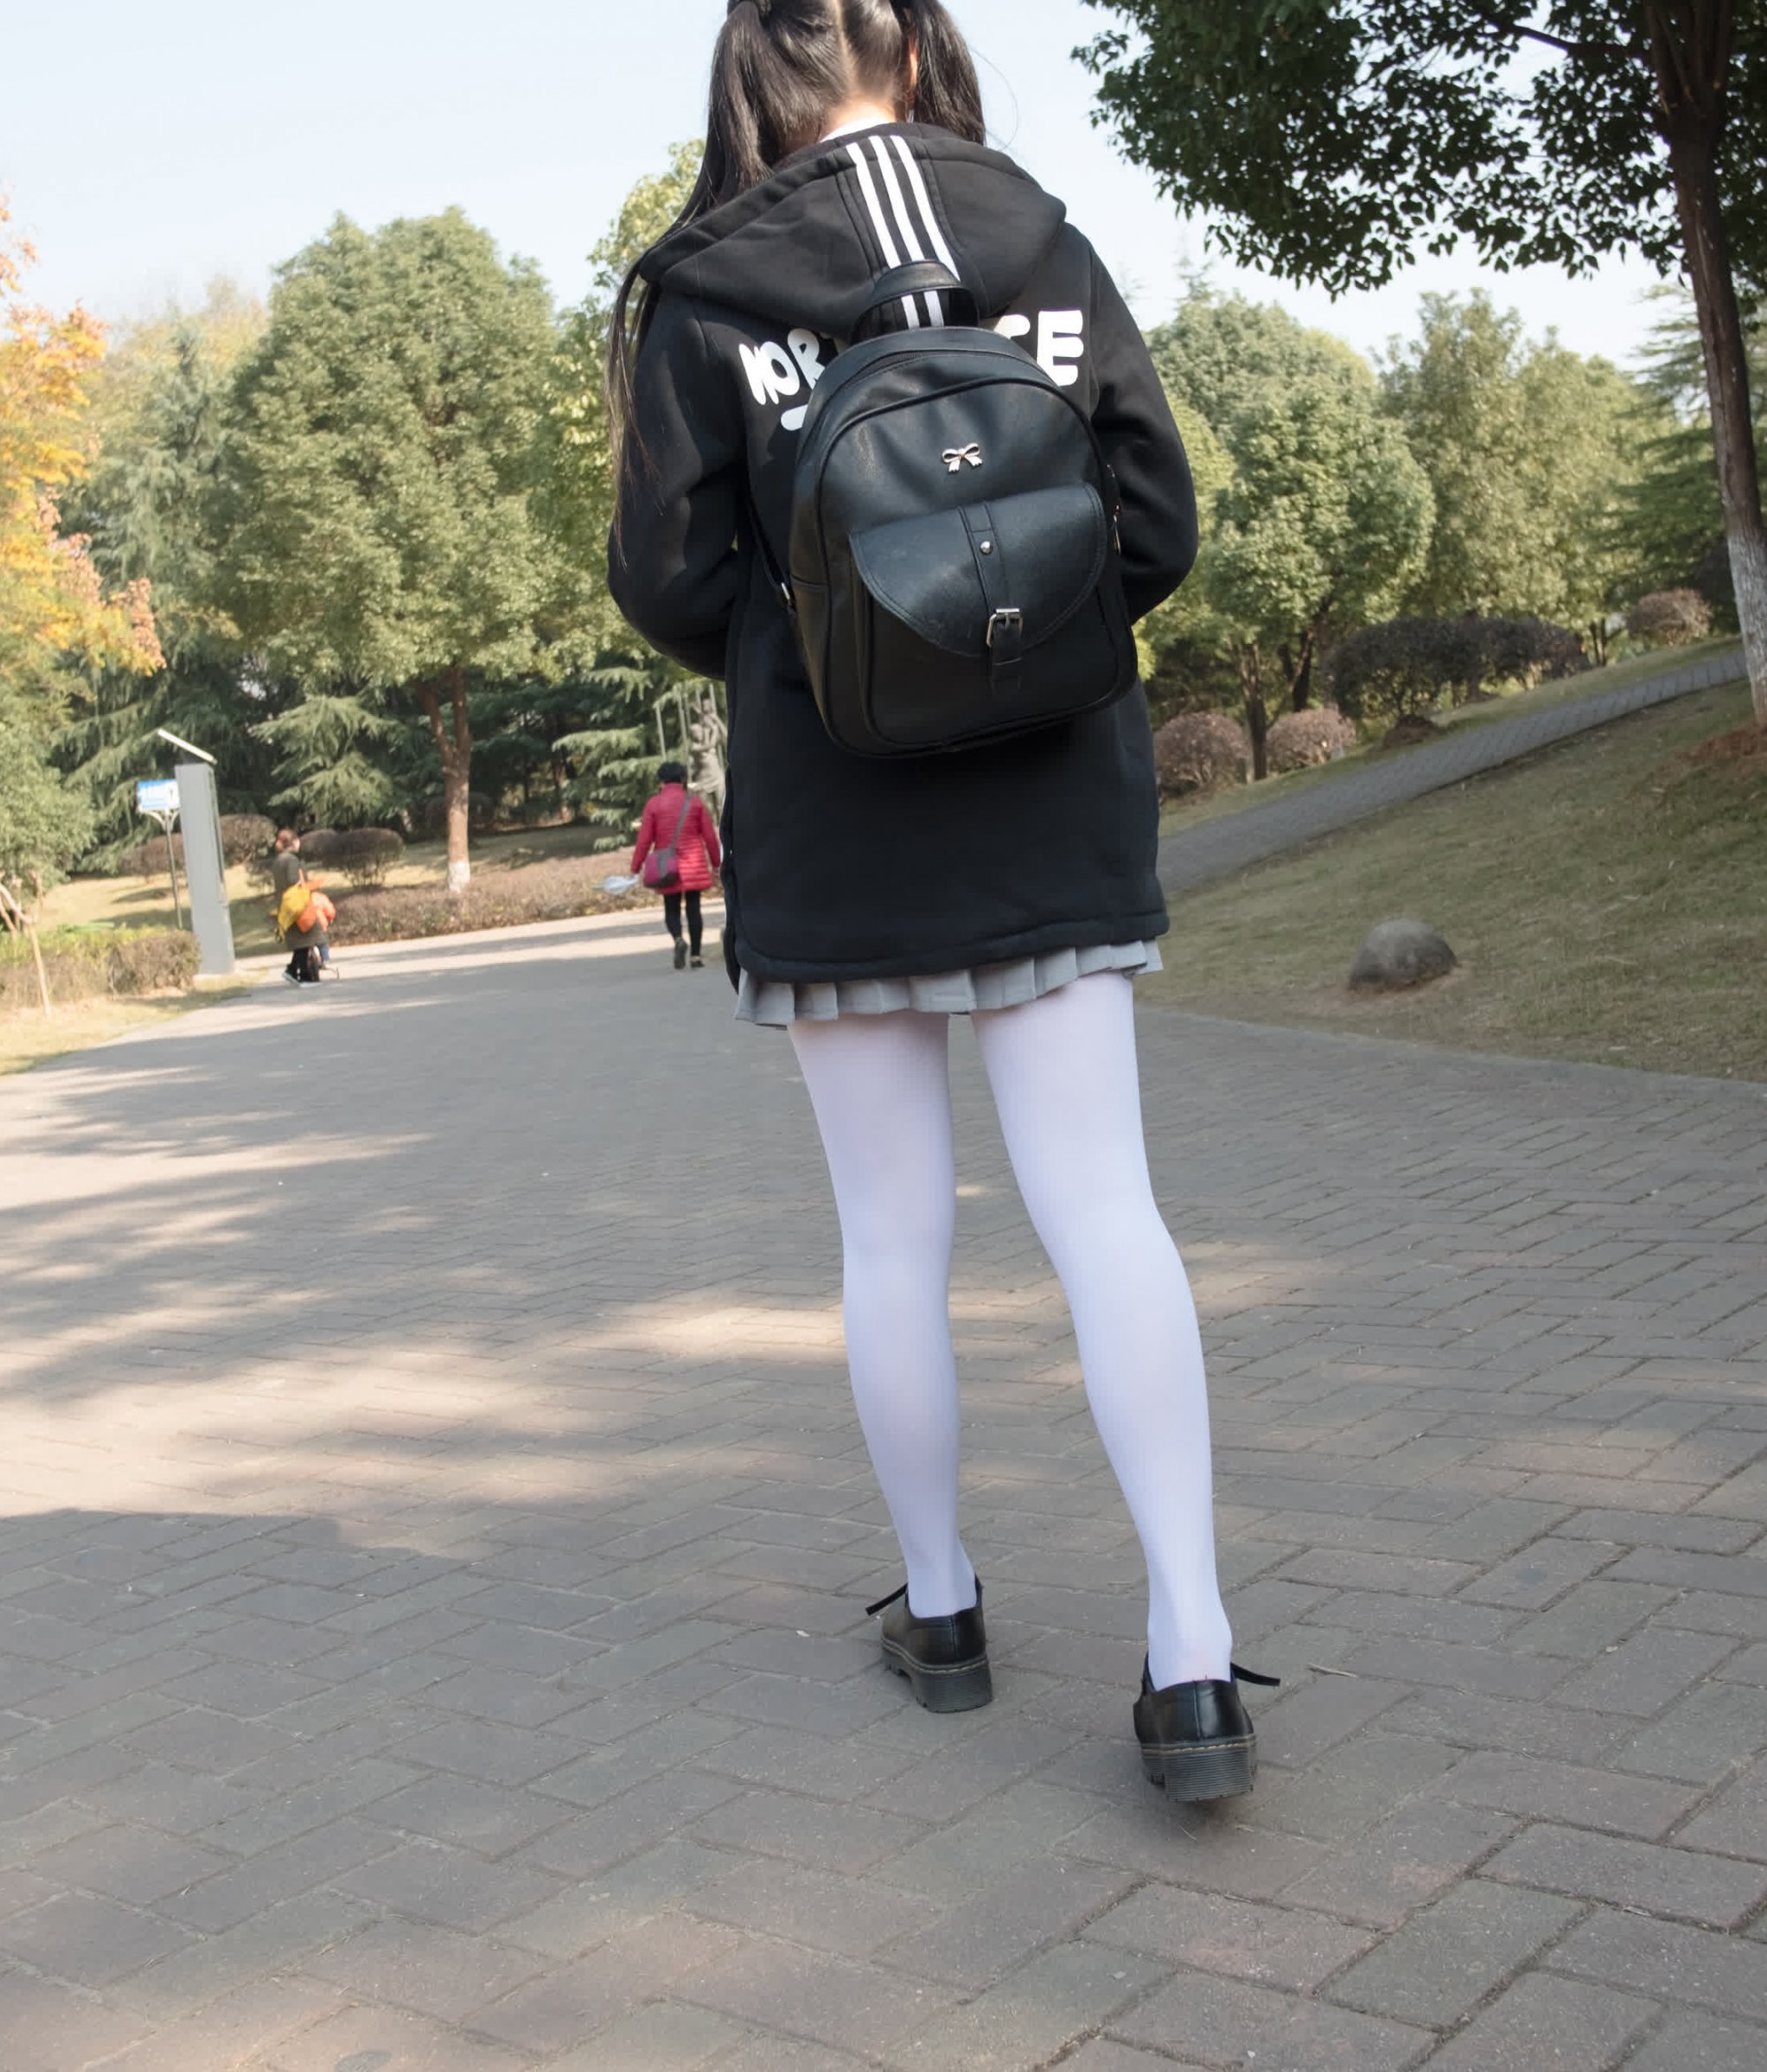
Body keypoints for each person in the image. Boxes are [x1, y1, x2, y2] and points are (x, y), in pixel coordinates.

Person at [606, 0, 1271, 1800]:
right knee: (1107, 1210)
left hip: (836, 804)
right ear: (919, 43)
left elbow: (666, 578)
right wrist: (1012, 641)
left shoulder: (704, 292)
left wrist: (828, 647)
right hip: (1051, 783)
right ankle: (1191, 1654)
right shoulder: (1035, 234)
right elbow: (1154, 518)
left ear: (757, 71)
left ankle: (948, 1602)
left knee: (890, 1237)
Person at [631, 760, 725, 971]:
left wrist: (635, 867)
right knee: (694, 909)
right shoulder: (695, 803)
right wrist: (717, 864)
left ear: (661, 781)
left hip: (667, 866)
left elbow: (644, 840)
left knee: (671, 908)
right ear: (683, 780)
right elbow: (710, 837)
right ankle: (696, 957)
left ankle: (678, 939)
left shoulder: (654, 804)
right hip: (693, 864)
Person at [267, 830, 330, 985]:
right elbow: (293, 881)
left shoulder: (278, 860)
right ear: (295, 842)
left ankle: (293, 971)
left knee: (301, 941)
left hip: (286, 906)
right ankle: (304, 976)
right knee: (306, 939)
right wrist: (309, 885)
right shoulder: (292, 860)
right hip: (299, 905)